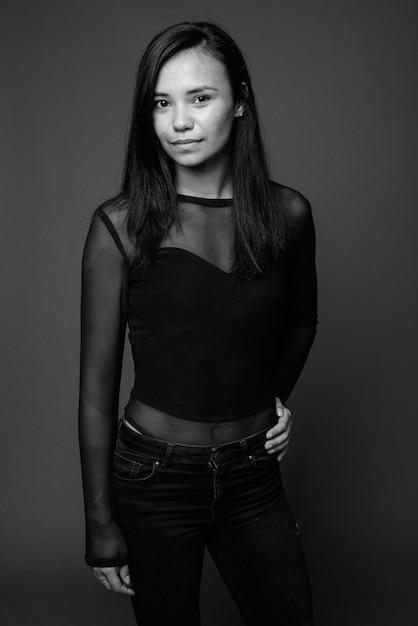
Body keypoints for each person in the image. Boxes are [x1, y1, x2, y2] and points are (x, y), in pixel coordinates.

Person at [78, 21, 317, 626]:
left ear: (239, 100)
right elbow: (96, 395)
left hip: (253, 476)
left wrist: (274, 399)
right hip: (152, 478)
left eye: (199, 98)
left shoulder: (288, 214)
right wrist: (100, 523)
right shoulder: (121, 226)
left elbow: (302, 322)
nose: (178, 121)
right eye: (162, 103)